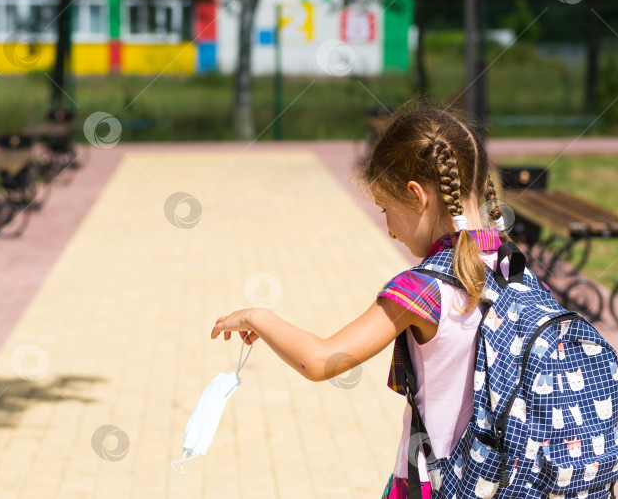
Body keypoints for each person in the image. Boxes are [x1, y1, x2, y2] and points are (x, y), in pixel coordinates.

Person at [210, 103, 507, 498]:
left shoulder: (422, 289)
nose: (388, 230)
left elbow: (321, 361)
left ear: (417, 197)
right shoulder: (514, 268)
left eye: (386, 209)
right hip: (505, 481)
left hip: (437, 485)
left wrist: (256, 316)